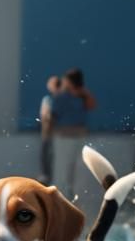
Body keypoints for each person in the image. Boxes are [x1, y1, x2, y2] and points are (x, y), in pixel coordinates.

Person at [41, 68, 96, 198]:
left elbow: (91, 105)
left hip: (76, 136)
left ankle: (74, 198)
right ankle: (60, 198)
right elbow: (52, 116)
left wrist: (83, 92)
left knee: (77, 171)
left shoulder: (82, 96)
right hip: (64, 137)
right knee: (61, 171)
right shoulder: (61, 97)